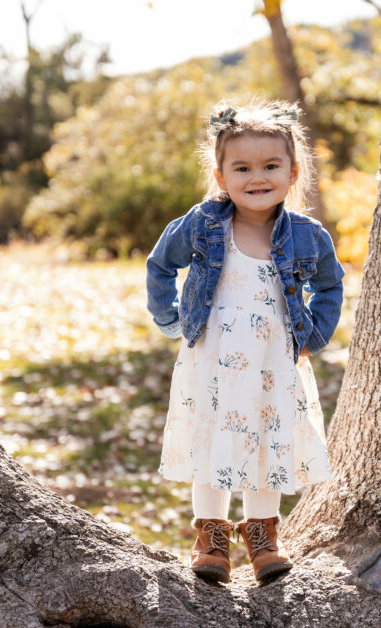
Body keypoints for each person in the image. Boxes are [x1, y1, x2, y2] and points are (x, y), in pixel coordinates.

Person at [146, 97, 345, 585]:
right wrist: (172, 321)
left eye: (271, 165)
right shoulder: (202, 224)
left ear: (293, 173)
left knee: (267, 441)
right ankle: (211, 536)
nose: (258, 177)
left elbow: (330, 284)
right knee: (212, 436)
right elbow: (160, 266)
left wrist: (313, 335)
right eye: (242, 168)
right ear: (221, 177)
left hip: (271, 362)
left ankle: (262, 536)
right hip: (211, 358)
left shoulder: (306, 235)